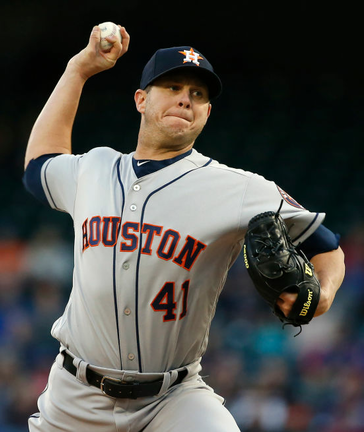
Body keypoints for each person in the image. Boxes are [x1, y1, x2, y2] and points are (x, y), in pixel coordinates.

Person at [22, 24, 345, 432]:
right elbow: (38, 167)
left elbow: (328, 247)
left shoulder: (239, 188)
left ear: (207, 112)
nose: (185, 99)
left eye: (197, 95)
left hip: (172, 400)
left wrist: (325, 293)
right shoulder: (94, 168)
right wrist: (78, 70)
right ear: (140, 99)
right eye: (172, 87)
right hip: (75, 396)